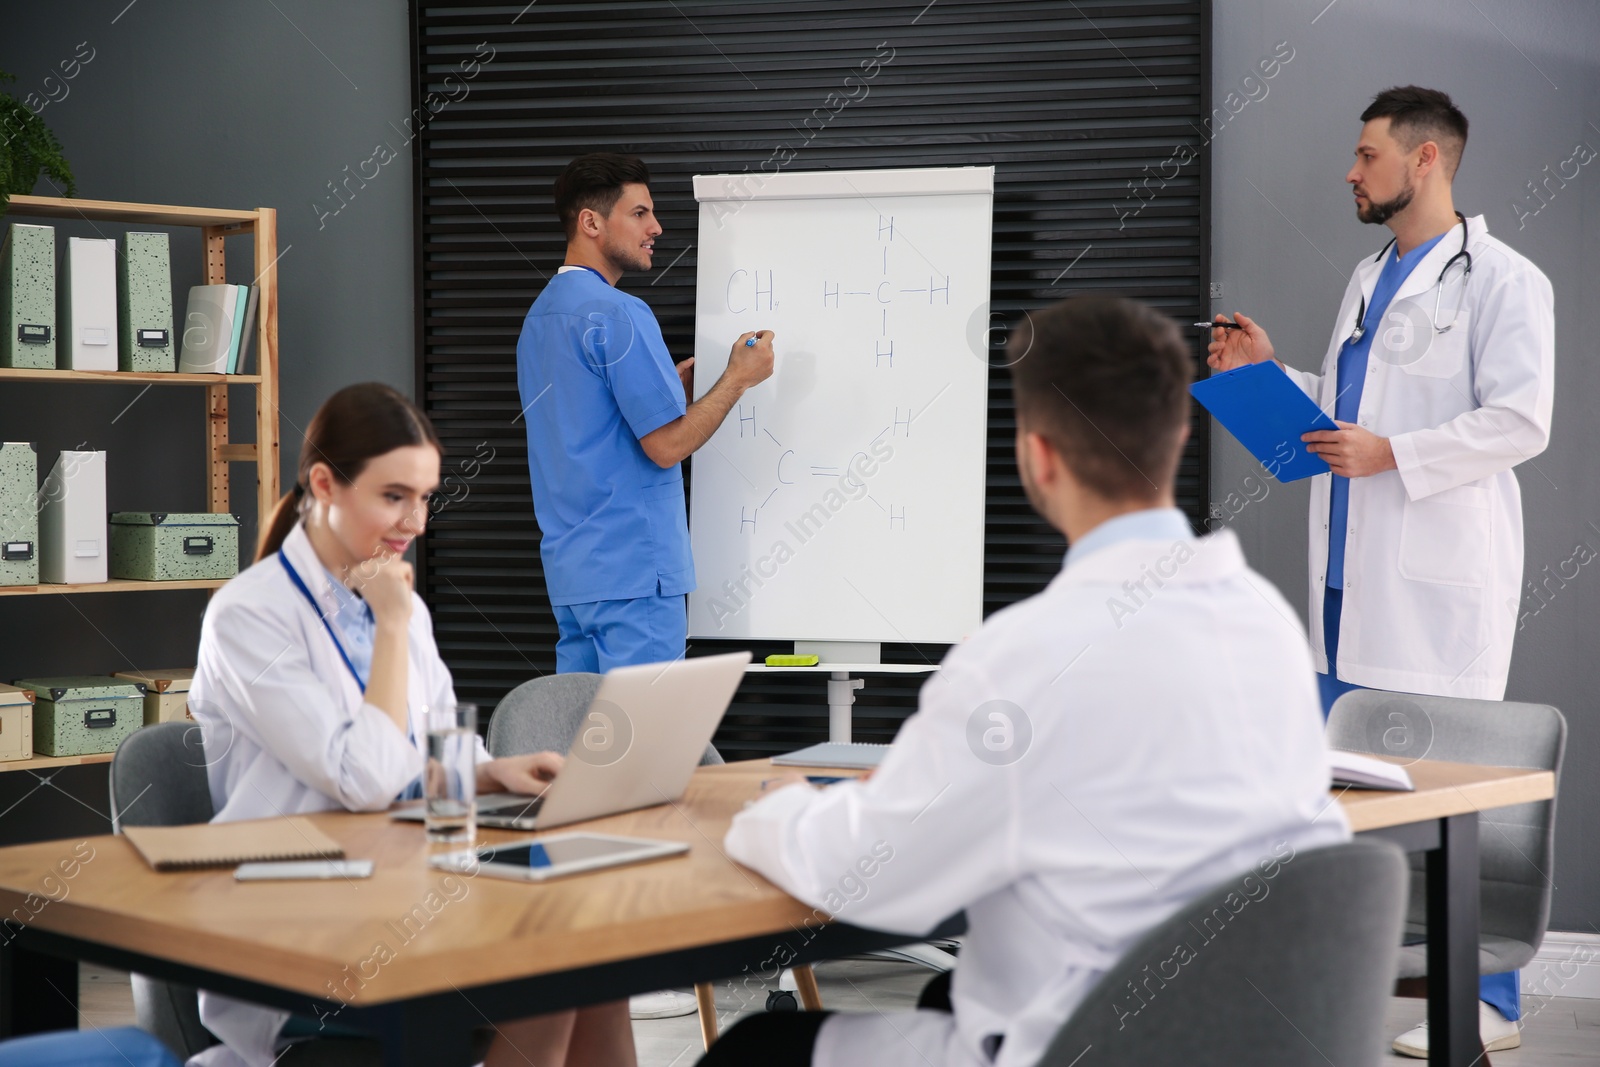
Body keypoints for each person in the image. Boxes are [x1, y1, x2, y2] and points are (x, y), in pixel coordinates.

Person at [700, 295, 1350, 1067]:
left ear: (1038, 456)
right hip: (1238, 1040)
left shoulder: (1017, 662)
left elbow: (865, 871)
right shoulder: (1269, 626)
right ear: (1179, 434)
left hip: (1082, 1045)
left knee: (758, 1050)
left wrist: (772, 815)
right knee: (946, 994)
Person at [1206, 85, 1554, 1055]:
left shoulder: (1502, 280)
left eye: (1366, 155)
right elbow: (1345, 417)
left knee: (1455, 793)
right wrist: (1271, 377)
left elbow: (1522, 418)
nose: (1349, 172)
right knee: (1338, 796)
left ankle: (1490, 1001)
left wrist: (1395, 453)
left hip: (1435, 596)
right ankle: (1342, 976)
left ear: (1426, 158)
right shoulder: (1368, 278)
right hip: (1345, 584)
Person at [186, 384, 635, 1067]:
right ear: (325, 483)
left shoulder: (397, 603)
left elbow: (430, 746)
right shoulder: (250, 615)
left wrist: (488, 771)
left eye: (424, 496)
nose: (416, 520)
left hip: (407, 884)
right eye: (394, 496)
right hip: (298, 921)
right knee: (556, 967)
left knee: (593, 954)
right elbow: (364, 778)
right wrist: (392, 624)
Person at [516, 152, 775, 1020]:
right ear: (593, 222)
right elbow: (665, 446)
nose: (657, 228)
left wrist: (682, 384)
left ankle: (580, 945)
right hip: (638, 573)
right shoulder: (619, 314)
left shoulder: (545, 317)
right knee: (642, 770)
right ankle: (644, 957)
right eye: (641, 213)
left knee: (583, 766)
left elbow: (613, 423)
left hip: (577, 574)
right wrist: (737, 382)